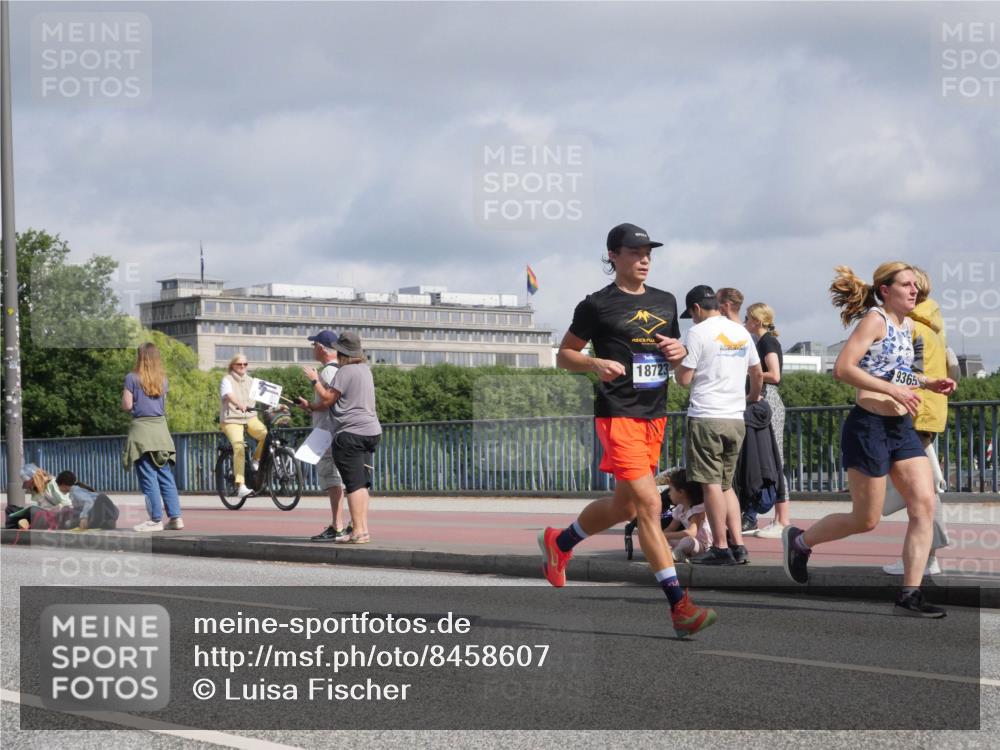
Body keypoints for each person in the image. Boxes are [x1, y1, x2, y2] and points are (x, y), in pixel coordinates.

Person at [539, 222, 717, 638]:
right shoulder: (596, 305)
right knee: (650, 508)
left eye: (649, 253)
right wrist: (594, 363)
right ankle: (681, 608)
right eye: (635, 253)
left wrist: (678, 351)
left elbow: (673, 355)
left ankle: (560, 543)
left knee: (624, 507)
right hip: (616, 414)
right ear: (613, 256)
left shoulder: (665, 300)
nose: (644, 260)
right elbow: (564, 355)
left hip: (654, 414)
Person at [782, 263, 956, 618]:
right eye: (906, 285)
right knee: (866, 520)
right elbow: (844, 368)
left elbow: (893, 369)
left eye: (916, 287)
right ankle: (800, 542)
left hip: (902, 429)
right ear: (884, 290)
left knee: (924, 505)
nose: (914, 291)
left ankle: (910, 594)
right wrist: (893, 389)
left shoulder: (907, 326)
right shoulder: (874, 320)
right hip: (869, 428)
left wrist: (927, 383)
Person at [673, 285, 763, 565]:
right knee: (726, 485)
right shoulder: (740, 331)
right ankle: (739, 545)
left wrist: (676, 361)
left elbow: (684, 379)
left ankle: (721, 548)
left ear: (696, 309)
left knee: (710, 483)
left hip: (706, 416)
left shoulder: (697, 333)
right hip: (735, 418)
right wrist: (749, 398)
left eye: (692, 314)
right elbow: (757, 373)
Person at [882, 267, 951, 576]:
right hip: (932, 413)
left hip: (912, 411)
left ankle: (924, 558)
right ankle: (924, 557)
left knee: (918, 493)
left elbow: (902, 373)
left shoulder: (910, 327)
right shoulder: (936, 326)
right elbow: (951, 369)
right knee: (924, 488)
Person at [303, 331, 381, 545]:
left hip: (350, 433)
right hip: (371, 431)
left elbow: (328, 398)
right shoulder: (365, 370)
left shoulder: (345, 372)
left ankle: (357, 532)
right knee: (362, 484)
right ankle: (363, 530)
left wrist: (314, 380)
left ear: (341, 351)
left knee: (353, 485)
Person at [122, 342, 184, 532]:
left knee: (148, 476)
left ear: (140, 358)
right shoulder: (163, 380)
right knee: (165, 475)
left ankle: (155, 519)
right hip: (161, 431)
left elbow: (126, 405)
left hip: (142, 432)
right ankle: (176, 518)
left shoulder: (131, 378)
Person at [743, 302, 791, 538]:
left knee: (775, 457)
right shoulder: (763, 341)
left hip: (768, 400)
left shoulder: (767, 342)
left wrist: (751, 372)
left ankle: (782, 519)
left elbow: (775, 375)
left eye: (747, 318)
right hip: (765, 399)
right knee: (773, 457)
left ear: (757, 321)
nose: (744, 321)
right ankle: (779, 518)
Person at [297, 330, 350, 542]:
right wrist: (311, 406)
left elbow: (330, 401)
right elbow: (330, 404)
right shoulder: (340, 370)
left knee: (332, 480)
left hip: (327, 434)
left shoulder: (328, 372)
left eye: (314, 345)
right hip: (335, 431)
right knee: (341, 480)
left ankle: (337, 526)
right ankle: (346, 525)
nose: (313, 349)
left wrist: (313, 382)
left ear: (321, 348)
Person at [220, 353, 268, 500]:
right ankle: (240, 485)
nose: (242, 367)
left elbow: (266, 396)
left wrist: (279, 406)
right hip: (232, 419)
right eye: (239, 364)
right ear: (232, 366)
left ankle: (255, 460)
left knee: (266, 434)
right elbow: (228, 395)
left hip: (249, 417)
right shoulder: (226, 380)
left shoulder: (252, 381)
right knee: (239, 446)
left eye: (245, 364)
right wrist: (239, 404)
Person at [661, 468, 712, 562]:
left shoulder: (697, 510)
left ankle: (676, 553)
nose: (668, 494)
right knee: (665, 539)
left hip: (702, 545)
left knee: (688, 541)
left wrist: (667, 535)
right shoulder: (680, 509)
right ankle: (676, 553)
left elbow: (692, 533)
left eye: (671, 490)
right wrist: (662, 536)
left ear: (681, 492)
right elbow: (671, 528)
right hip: (689, 543)